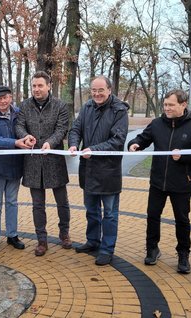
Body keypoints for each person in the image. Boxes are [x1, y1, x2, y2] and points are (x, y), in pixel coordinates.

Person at [128, 89, 191, 274]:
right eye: (165, 104)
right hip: (158, 182)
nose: (166, 108)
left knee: (182, 220)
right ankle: (152, 249)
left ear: (183, 105)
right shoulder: (157, 124)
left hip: (182, 183)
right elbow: (143, 138)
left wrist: (184, 157)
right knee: (152, 215)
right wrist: (134, 144)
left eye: (171, 105)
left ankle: (183, 254)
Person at [68, 76, 129, 266]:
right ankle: (92, 241)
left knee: (109, 214)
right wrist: (73, 145)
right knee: (92, 210)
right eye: (93, 90)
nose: (96, 94)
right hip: (88, 170)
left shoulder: (119, 110)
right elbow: (75, 129)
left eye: (100, 90)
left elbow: (117, 141)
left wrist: (93, 150)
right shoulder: (87, 107)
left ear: (109, 90)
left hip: (108, 171)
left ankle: (107, 249)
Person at [15, 71, 72, 256]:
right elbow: (19, 125)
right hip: (32, 163)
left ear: (49, 86)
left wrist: (51, 142)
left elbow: (62, 128)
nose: (36, 89)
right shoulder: (24, 106)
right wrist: (26, 136)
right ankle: (41, 239)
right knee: (37, 204)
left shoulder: (61, 106)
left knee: (62, 202)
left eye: (40, 85)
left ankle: (64, 233)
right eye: (34, 86)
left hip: (54, 161)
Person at [0, 86, 30, 254]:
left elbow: (24, 131)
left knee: (12, 203)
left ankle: (12, 235)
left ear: (11, 97)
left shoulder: (19, 113)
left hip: (15, 166)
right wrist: (16, 143)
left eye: (5, 98)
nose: (2, 101)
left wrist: (26, 140)